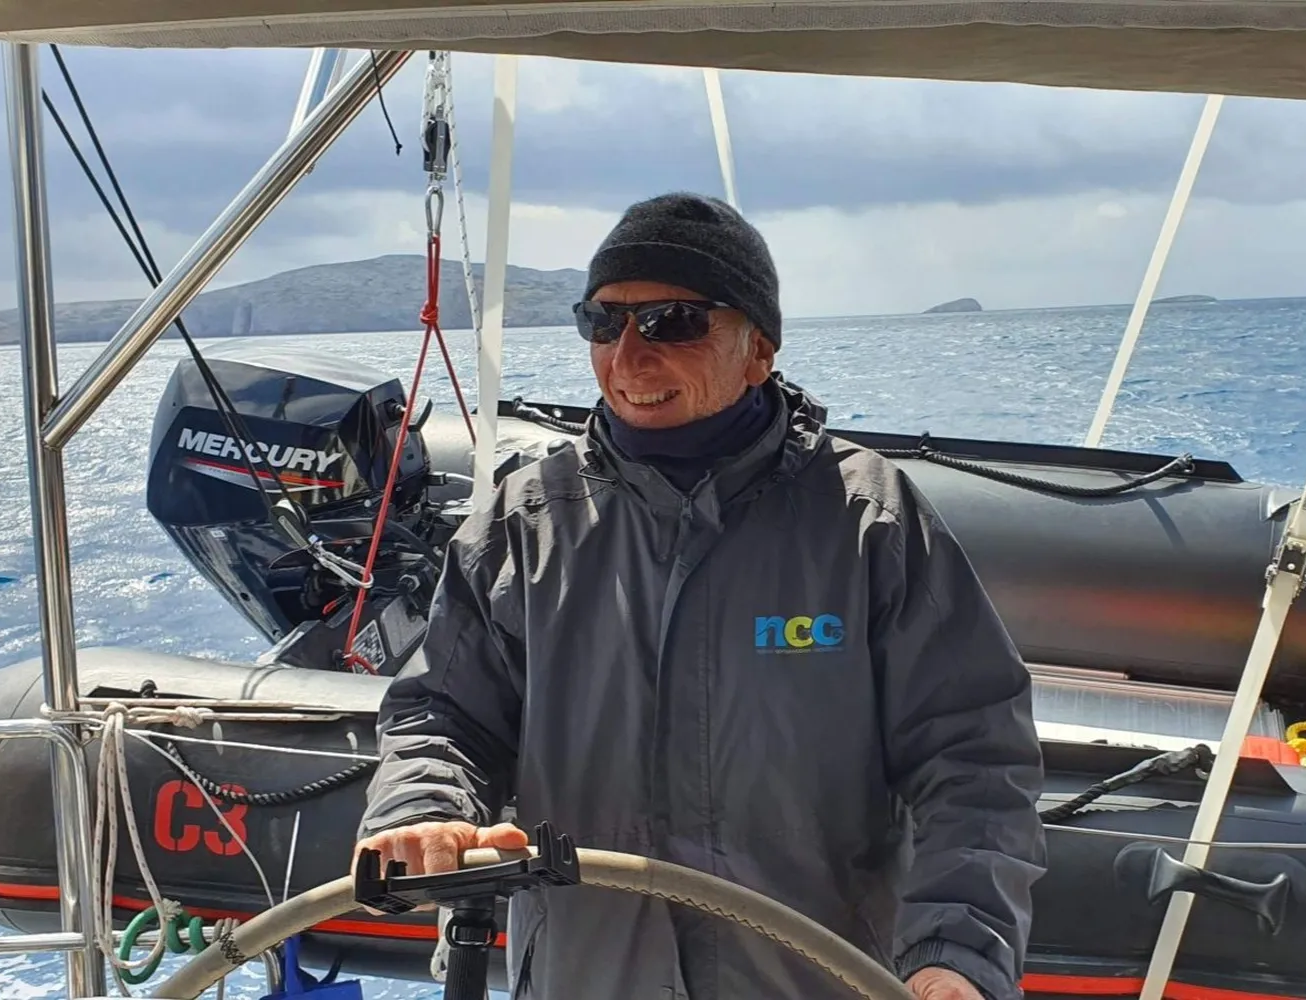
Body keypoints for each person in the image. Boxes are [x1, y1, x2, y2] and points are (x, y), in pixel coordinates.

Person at [354, 192, 1047, 1000]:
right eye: (603, 323)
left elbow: (972, 757)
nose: (628, 356)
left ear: (760, 350)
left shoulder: (867, 523)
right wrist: (422, 811)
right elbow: (442, 715)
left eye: (672, 322)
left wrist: (956, 956)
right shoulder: (524, 523)